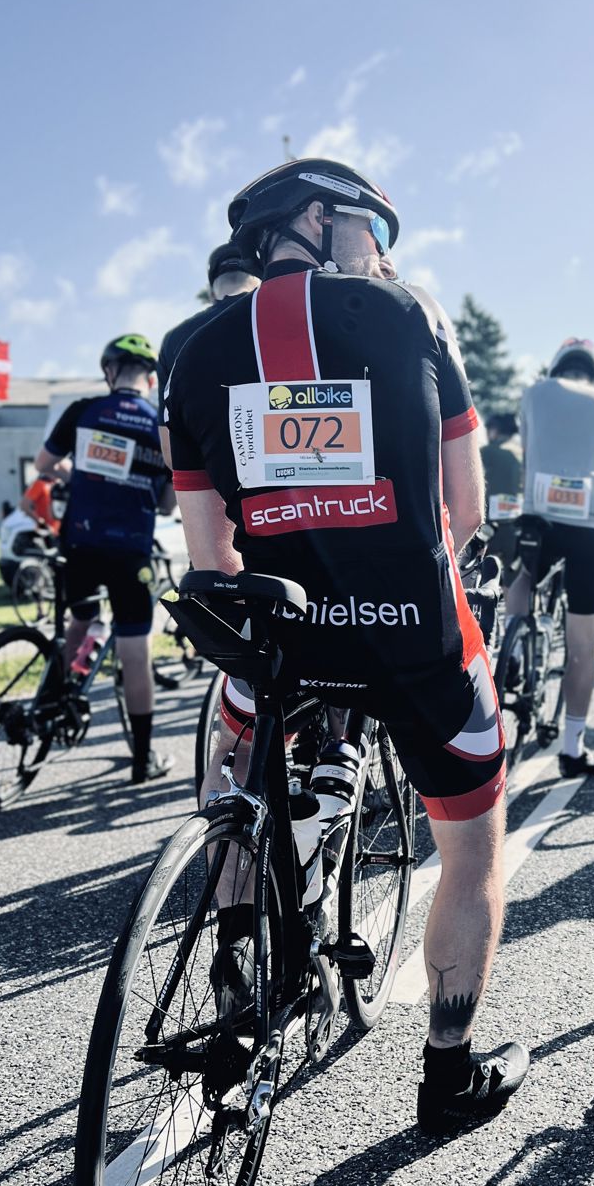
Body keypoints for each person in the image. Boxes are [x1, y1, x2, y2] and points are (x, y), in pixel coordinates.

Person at [163, 155, 526, 1136]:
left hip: (277, 639)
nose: (383, 254)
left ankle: (240, 955)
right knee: (474, 846)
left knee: (234, 768)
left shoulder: (194, 351)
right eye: (374, 230)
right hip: (412, 642)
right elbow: (464, 509)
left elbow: (209, 555)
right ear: (322, 219)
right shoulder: (411, 314)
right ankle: (447, 1072)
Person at [35, 334, 175, 784]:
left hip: (80, 542)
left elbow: (43, 464)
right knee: (135, 651)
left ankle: (50, 705)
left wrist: (76, 474)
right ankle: (142, 760)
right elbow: (168, 505)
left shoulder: (83, 411)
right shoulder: (161, 425)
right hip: (130, 550)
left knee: (79, 619)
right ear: (150, 380)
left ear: (109, 372)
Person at [513, 336, 594, 777]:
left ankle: (515, 647)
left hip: (539, 521)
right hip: (589, 531)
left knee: (522, 579)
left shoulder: (534, 393)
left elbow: (528, 456)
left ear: (557, 369)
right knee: (582, 646)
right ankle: (572, 748)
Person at [157, 244, 262, 457]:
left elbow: (170, 453)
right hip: (288, 470)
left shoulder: (174, 340)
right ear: (260, 281)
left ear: (212, 293)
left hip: (210, 473)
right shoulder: (287, 318)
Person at [479, 411, 524, 574]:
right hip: (517, 523)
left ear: (494, 430)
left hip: (489, 525)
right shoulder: (523, 454)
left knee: (483, 573)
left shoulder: (487, 452)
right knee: (512, 577)